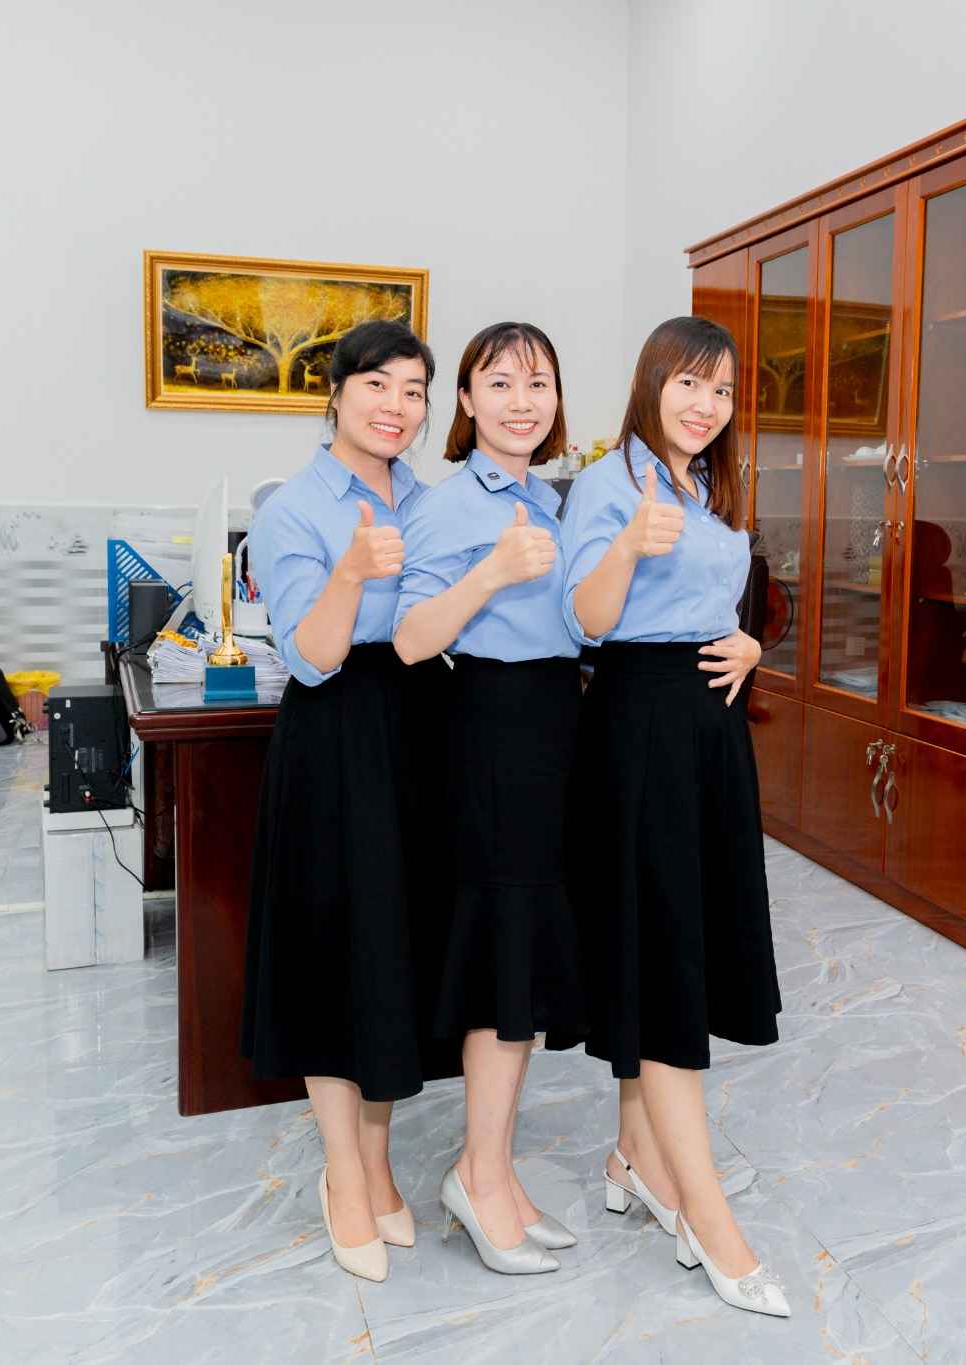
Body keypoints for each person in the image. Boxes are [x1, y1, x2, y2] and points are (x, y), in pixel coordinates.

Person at [557, 315, 788, 1317]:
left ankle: (633, 1156)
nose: (705, 405)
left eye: (722, 390)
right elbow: (586, 619)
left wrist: (752, 645)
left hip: (710, 733)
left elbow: (721, 602)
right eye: (689, 383)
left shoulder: (712, 489)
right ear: (652, 381)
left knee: (677, 942)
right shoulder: (610, 484)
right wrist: (626, 543)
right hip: (642, 727)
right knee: (662, 959)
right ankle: (708, 1216)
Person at [240, 319, 442, 1284]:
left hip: (415, 730)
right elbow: (311, 655)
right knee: (331, 955)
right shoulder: (293, 509)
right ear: (335, 392)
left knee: (390, 952)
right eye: (378, 385)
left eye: (413, 390)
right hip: (333, 731)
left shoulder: (429, 501)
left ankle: (379, 1159)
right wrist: (353, 572)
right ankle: (341, 1172)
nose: (395, 406)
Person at [393, 322, 583, 1275]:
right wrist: (493, 572)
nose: (521, 400)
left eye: (538, 382)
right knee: (504, 960)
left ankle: (493, 1171)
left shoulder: (551, 497)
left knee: (529, 961)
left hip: (554, 725)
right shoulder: (447, 505)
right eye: (499, 382)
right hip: (494, 729)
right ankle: (478, 1176)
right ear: (465, 401)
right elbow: (412, 638)